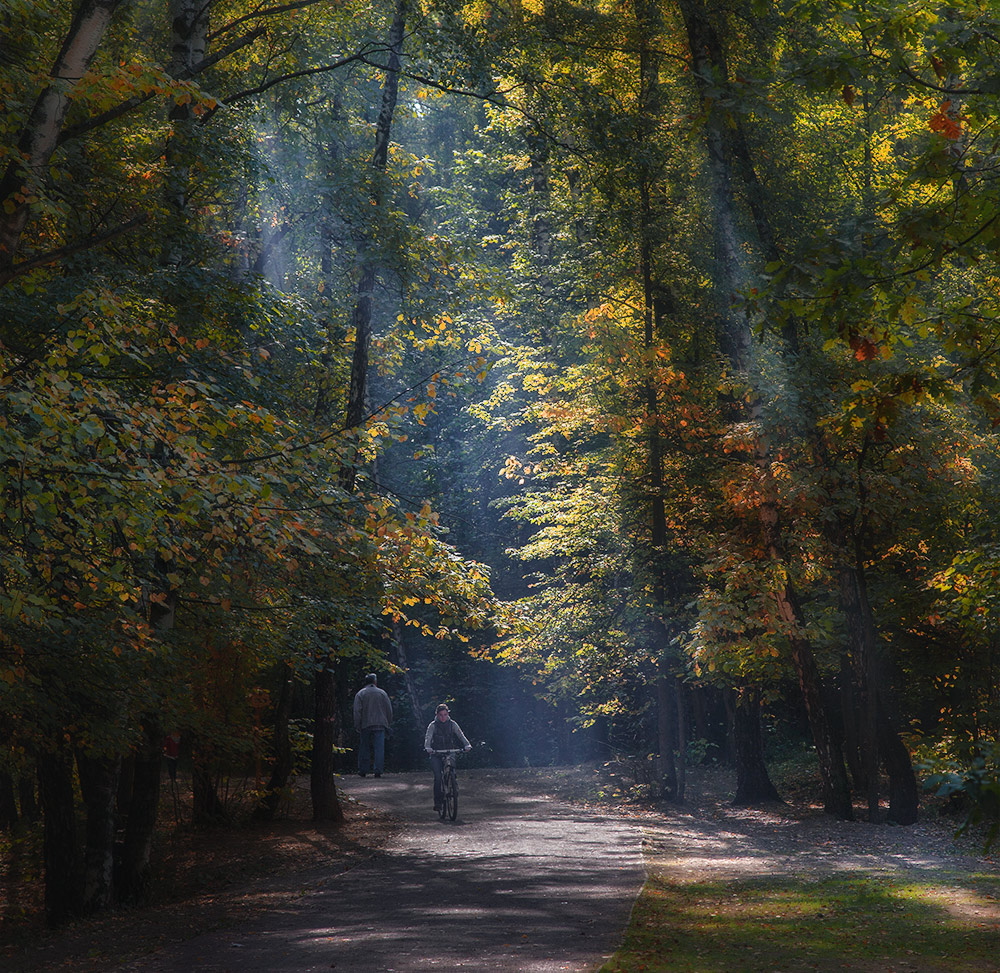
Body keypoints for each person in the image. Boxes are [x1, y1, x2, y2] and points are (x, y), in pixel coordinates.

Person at [424, 703, 471, 812]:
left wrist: (467, 744)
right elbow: (428, 738)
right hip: (436, 753)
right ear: (437, 715)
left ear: (448, 714)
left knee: (451, 768)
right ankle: (438, 802)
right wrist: (428, 748)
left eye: (445, 714)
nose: (443, 717)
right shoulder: (433, 725)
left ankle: (453, 786)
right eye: (441, 715)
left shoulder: (452, 724)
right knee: (438, 777)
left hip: (450, 751)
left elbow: (460, 735)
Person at [353, 673, 393, 778]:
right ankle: (378, 770)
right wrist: (388, 723)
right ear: (375, 682)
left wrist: (357, 724)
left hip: (365, 724)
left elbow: (357, 711)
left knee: (364, 747)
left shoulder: (360, 694)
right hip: (380, 724)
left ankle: (363, 770)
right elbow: (389, 710)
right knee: (379, 748)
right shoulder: (382, 693)